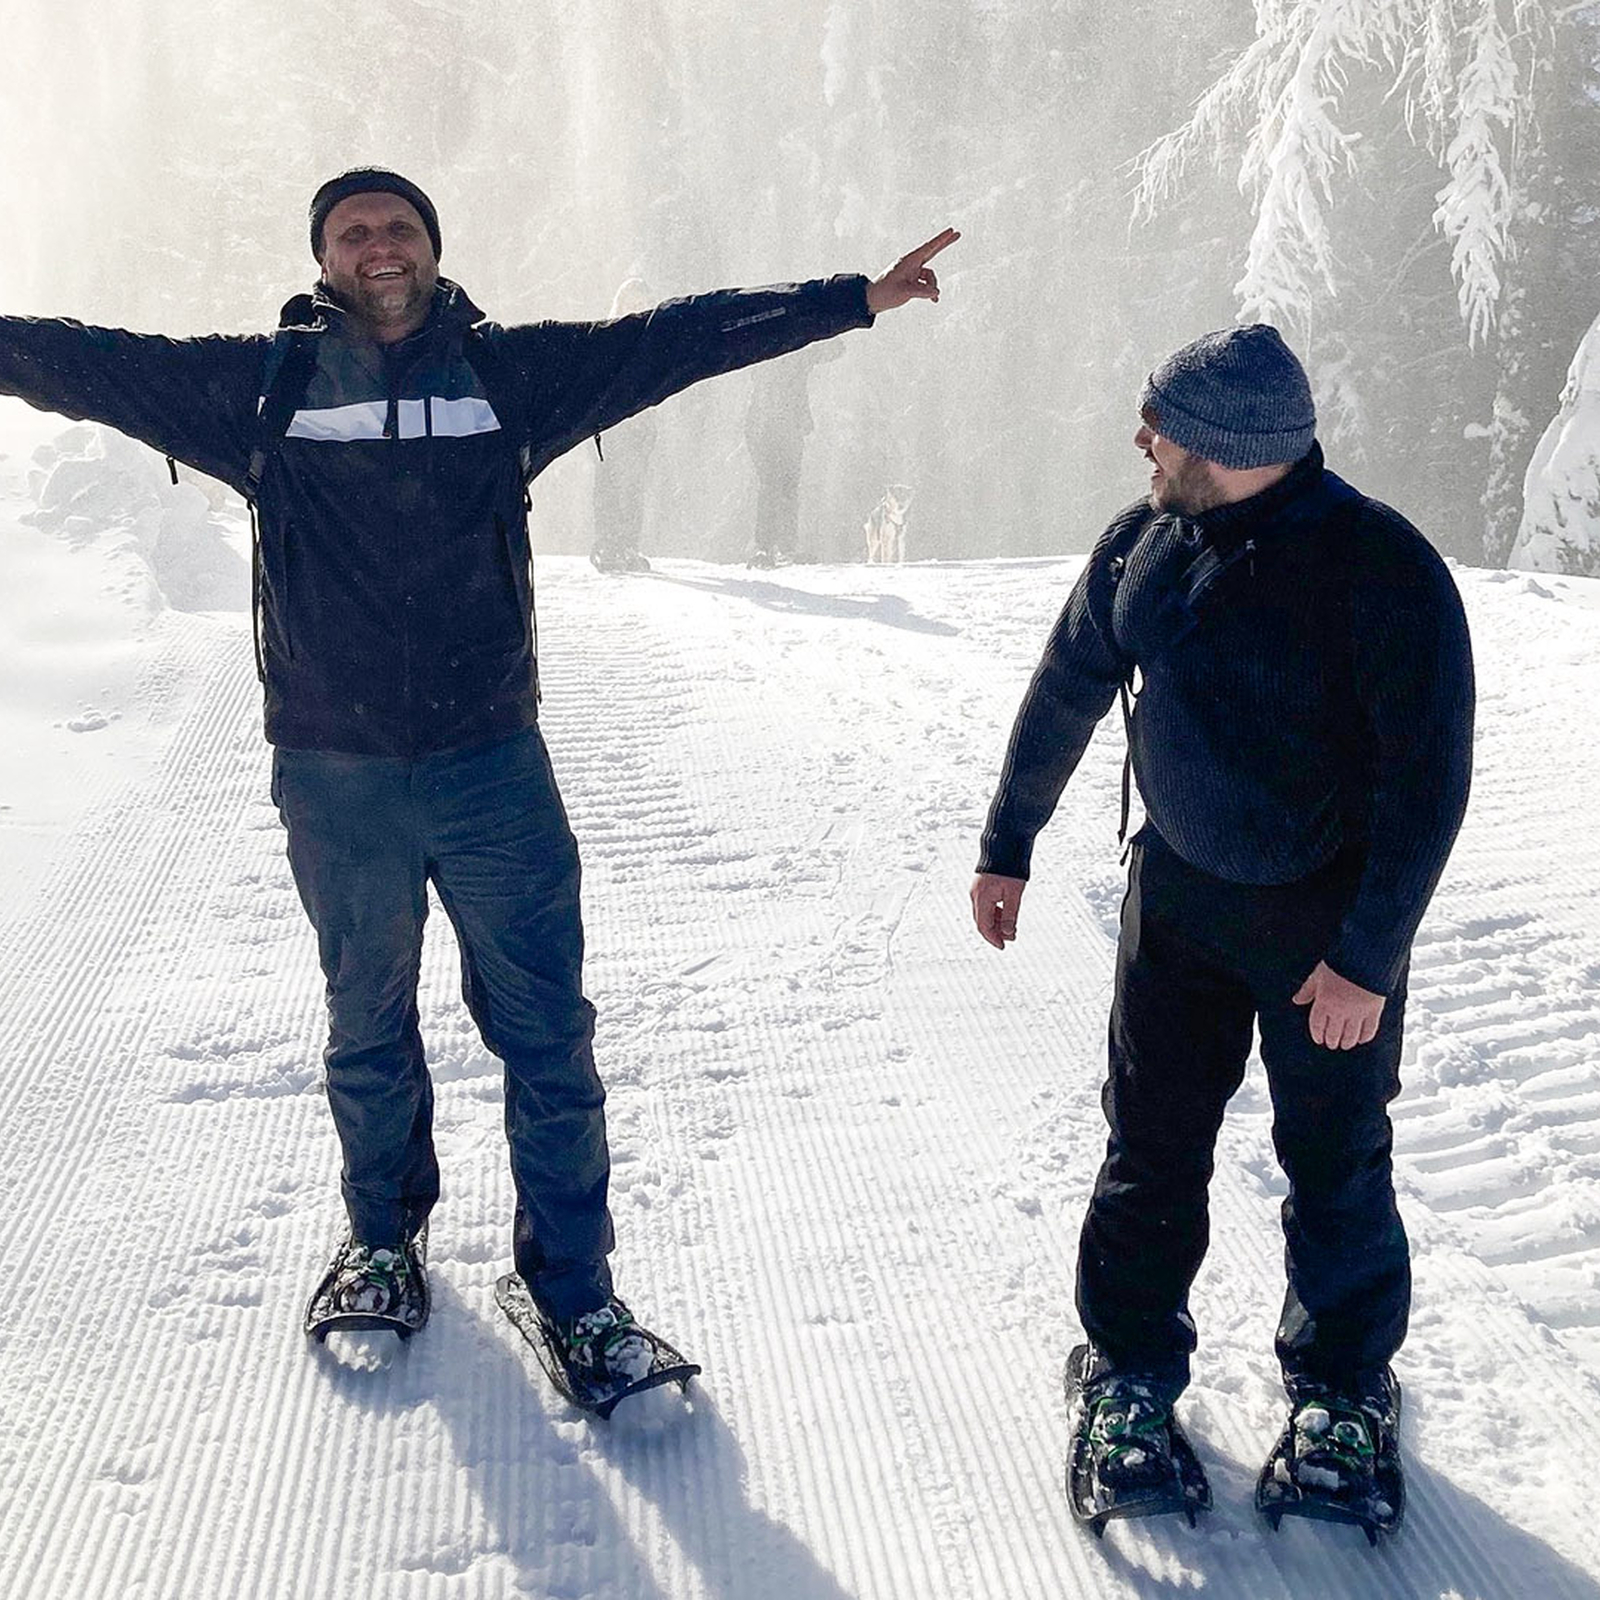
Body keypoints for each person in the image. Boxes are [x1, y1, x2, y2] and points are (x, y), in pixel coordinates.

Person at [0, 166, 958, 1396]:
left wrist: (849, 299)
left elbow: (671, 341)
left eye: (399, 226)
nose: (379, 245)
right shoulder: (260, 386)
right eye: (353, 231)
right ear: (322, 260)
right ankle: (381, 1240)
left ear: (434, 247)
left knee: (548, 1029)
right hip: (335, 772)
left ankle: (576, 1292)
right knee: (366, 1019)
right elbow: (81, 361)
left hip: (492, 764)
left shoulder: (507, 373)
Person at [970, 324, 1473, 1528]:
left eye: (1160, 426)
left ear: (1228, 445)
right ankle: (1128, 1372)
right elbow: (1066, 685)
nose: (1139, 442)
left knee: (1336, 1163)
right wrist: (1007, 840)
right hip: (1179, 909)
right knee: (1149, 1148)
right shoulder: (1145, 544)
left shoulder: (1381, 568)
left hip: (1325, 932)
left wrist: (1365, 958)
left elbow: (1428, 785)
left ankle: (1342, 1391)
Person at [589, 276, 657, 574]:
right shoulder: (608, 334)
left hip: (640, 423)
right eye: (633, 302)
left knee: (634, 486)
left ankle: (628, 545)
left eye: (642, 302)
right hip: (609, 423)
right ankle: (607, 544)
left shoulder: (651, 335)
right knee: (609, 484)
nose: (637, 307)